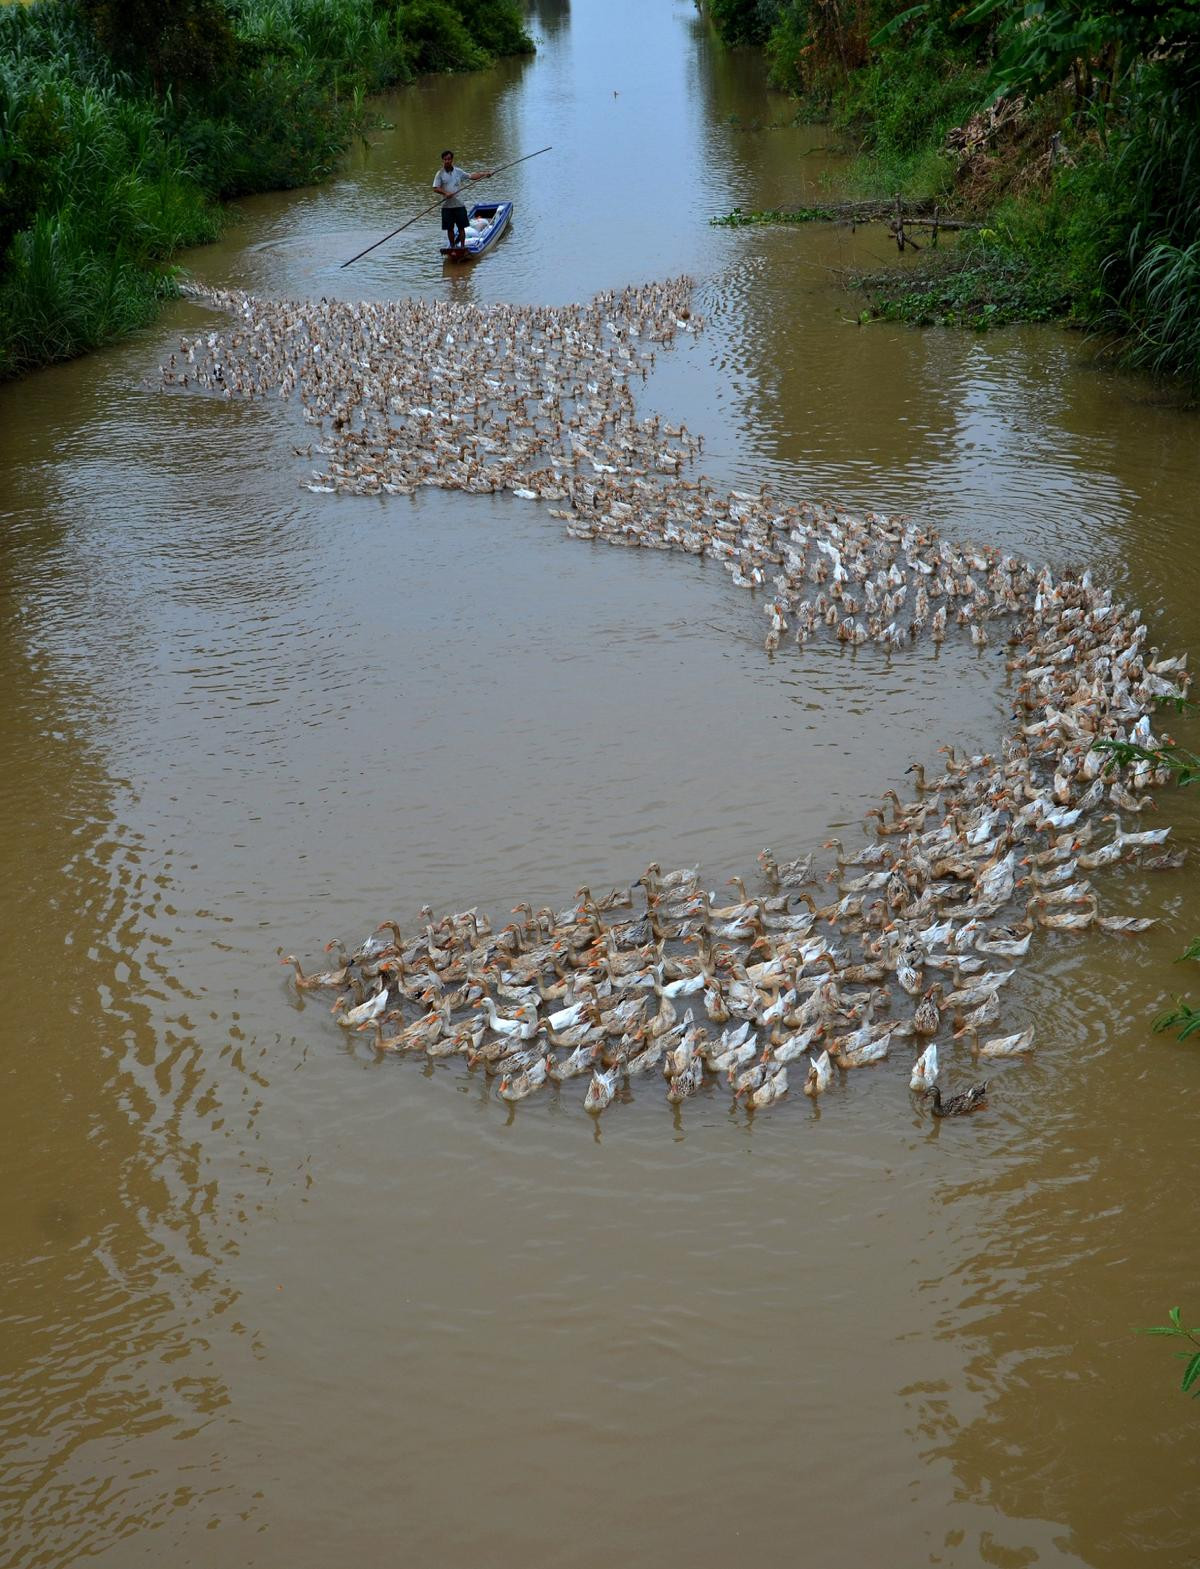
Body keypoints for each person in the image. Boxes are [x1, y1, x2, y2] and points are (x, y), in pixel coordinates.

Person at [433, 149, 493, 253]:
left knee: (462, 227)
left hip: (459, 204)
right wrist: (445, 193)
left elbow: (471, 176)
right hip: (447, 206)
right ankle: (452, 247)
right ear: (442, 160)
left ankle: (462, 247)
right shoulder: (440, 174)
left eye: (449, 159)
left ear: (452, 160)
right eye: (445, 159)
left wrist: (485, 174)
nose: (447, 161)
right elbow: (435, 188)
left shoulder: (458, 171)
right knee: (450, 228)